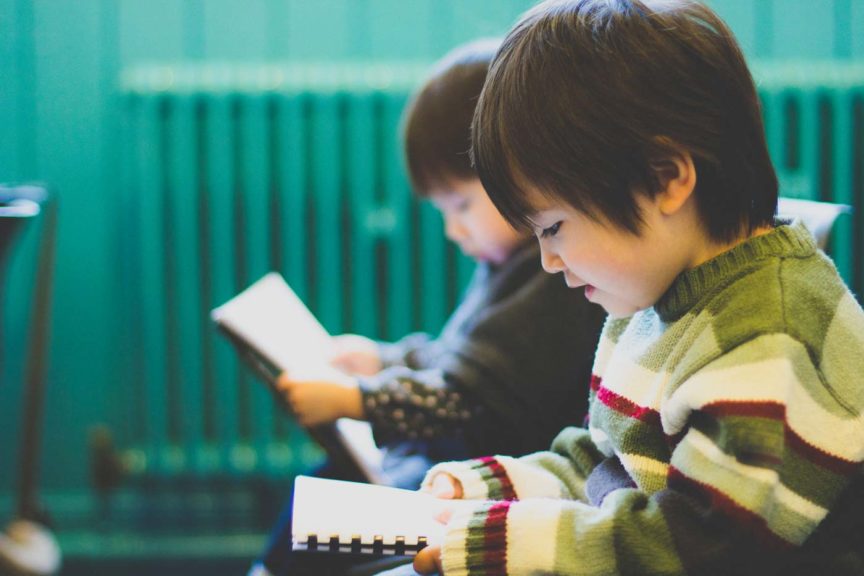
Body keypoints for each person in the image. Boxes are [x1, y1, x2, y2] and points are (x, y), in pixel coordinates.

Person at [408, 1, 864, 575]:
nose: (547, 260)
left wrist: (514, 540)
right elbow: (608, 463)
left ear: (665, 178)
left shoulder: (767, 336)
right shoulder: (659, 297)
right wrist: (489, 488)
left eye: (553, 227)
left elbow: (701, 549)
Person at [248, 38, 607, 576]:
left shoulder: (551, 276)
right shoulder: (506, 266)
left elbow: (467, 401)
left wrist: (358, 399)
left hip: (494, 490)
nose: (452, 228)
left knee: (324, 515)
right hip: (455, 474)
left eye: (462, 204)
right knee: (322, 487)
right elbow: (456, 357)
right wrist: (383, 359)